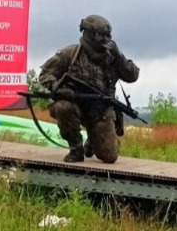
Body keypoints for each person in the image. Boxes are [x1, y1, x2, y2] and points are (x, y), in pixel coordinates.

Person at [37, 14, 140, 164]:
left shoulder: (112, 58)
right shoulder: (71, 54)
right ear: (88, 34)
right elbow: (45, 74)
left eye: (108, 36)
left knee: (109, 156)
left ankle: (92, 140)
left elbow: (132, 76)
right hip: (74, 106)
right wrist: (57, 88)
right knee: (63, 107)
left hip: (100, 112)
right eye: (100, 35)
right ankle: (76, 148)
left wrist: (119, 56)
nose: (105, 40)